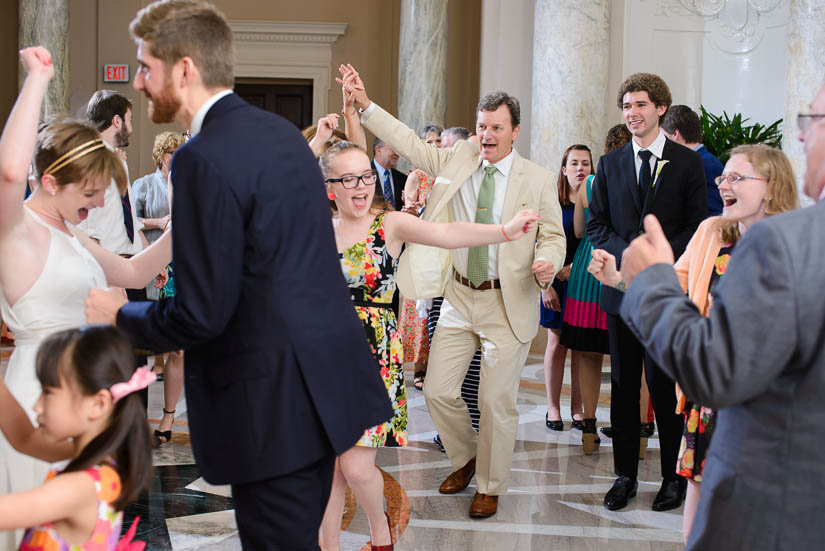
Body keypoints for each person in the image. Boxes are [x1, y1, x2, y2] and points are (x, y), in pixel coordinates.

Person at [84, 3, 393, 549]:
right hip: (322, 390)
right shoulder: (279, 136)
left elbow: (201, 312)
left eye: (144, 67)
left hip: (269, 405)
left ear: (184, 70)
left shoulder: (201, 159)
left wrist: (120, 314)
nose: (137, 82)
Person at [340, 64, 566, 518]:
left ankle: (490, 484)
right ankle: (465, 459)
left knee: (495, 400)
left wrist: (549, 262)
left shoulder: (537, 180)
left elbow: (554, 236)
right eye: (482, 126)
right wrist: (365, 106)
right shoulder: (460, 156)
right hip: (460, 295)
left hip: (509, 299)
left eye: (496, 128)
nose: (486, 135)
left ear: (514, 131)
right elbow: (408, 142)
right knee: (440, 391)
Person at [614, 79, 825, 548]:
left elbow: (716, 371)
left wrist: (650, 281)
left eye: (811, 122)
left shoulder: (785, 243)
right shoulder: (719, 231)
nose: (804, 137)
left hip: (778, 506)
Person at [318, 140, 538, 550]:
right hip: (324, 359)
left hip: (371, 356)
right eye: (349, 179)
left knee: (356, 465)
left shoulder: (390, 225)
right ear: (331, 188)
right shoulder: (315, 228)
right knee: (330, 470)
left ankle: (381, 530)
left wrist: (503, 231)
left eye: (366, 175)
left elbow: (448, 233)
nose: (362, 185)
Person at [0, 46, 171, 551]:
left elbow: (139, 268)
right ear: (49, 181)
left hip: (83, 394)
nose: (100, 204)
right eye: (92, 193)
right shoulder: (18, 232)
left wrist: (195, 220)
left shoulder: (71, 234)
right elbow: (10, 174)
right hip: (40, 394)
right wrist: (38, 77)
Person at [590, 144, 797, 542]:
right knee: (700, 484)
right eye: (723, 178)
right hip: (709, 394)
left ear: (771, 187)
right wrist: (618, 278)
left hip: (764, 408)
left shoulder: (795, 249)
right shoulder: (711, 232)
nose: (725, 186)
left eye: (738, 178)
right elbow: (675, 286)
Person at [586, 72, 707, 512]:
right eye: (626, 107)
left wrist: (656, 261)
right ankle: (624, 475)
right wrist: (630, 256)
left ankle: (674, 479)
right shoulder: (611, 163)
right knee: (621, 386)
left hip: (665, 292)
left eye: (640, 105)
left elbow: (697, 227)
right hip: (619, 292)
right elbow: (597, 225)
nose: (632, 113)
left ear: (660, 108)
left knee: (662, 386)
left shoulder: (687, 163)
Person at [0, 326, 153, 551]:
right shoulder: (103, 460)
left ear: (97, 404)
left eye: (48, 392)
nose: (36, 405)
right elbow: (24, 438)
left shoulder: (78, 488)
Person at [560, 126, 629, 453]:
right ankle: (635, 429)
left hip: (587, 269)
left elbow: (577, 230)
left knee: (587, 353)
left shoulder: (588, 184)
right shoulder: (639, 183)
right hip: (622, 265)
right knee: (628, 356)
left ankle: (588, 426)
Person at [131, 130, 185, 445]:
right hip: (150, 269)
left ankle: (167, 417)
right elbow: (130, 222)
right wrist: (159, 222)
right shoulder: (142, 185)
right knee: (148, 349)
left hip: (183, 270)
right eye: (170, 154)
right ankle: (135, 418)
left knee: (178, 349)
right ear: (160, 156)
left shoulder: (191, 186)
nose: (175, 159)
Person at [542, 145, 591, 432]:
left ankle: (577, 408)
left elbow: (595, 239)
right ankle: (553, 406)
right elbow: (537, 243)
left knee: (580, 347)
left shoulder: (595, 201)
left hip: (582, 280)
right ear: (564, 169)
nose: (580, 168)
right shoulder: (552, 201)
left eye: (585, 163)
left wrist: (576, 267)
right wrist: (545, 285)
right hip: (553, 282)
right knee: (557, 343)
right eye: (574, 163)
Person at [399, 123, 442, 391]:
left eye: (439, 141)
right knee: (419, 313)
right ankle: (418, 367)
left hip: (442, 251)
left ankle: (437, 367)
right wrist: (415, 210)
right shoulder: (417, 175)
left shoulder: (448, 176)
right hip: (420, 250)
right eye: (429, 142)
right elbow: (408, 212)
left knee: (437, 311)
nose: (435, 146)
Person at [662, 105, 724, 216]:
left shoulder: (704, 165)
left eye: (662, 136)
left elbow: (714, 213)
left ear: (675, 134)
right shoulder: (702, 161)